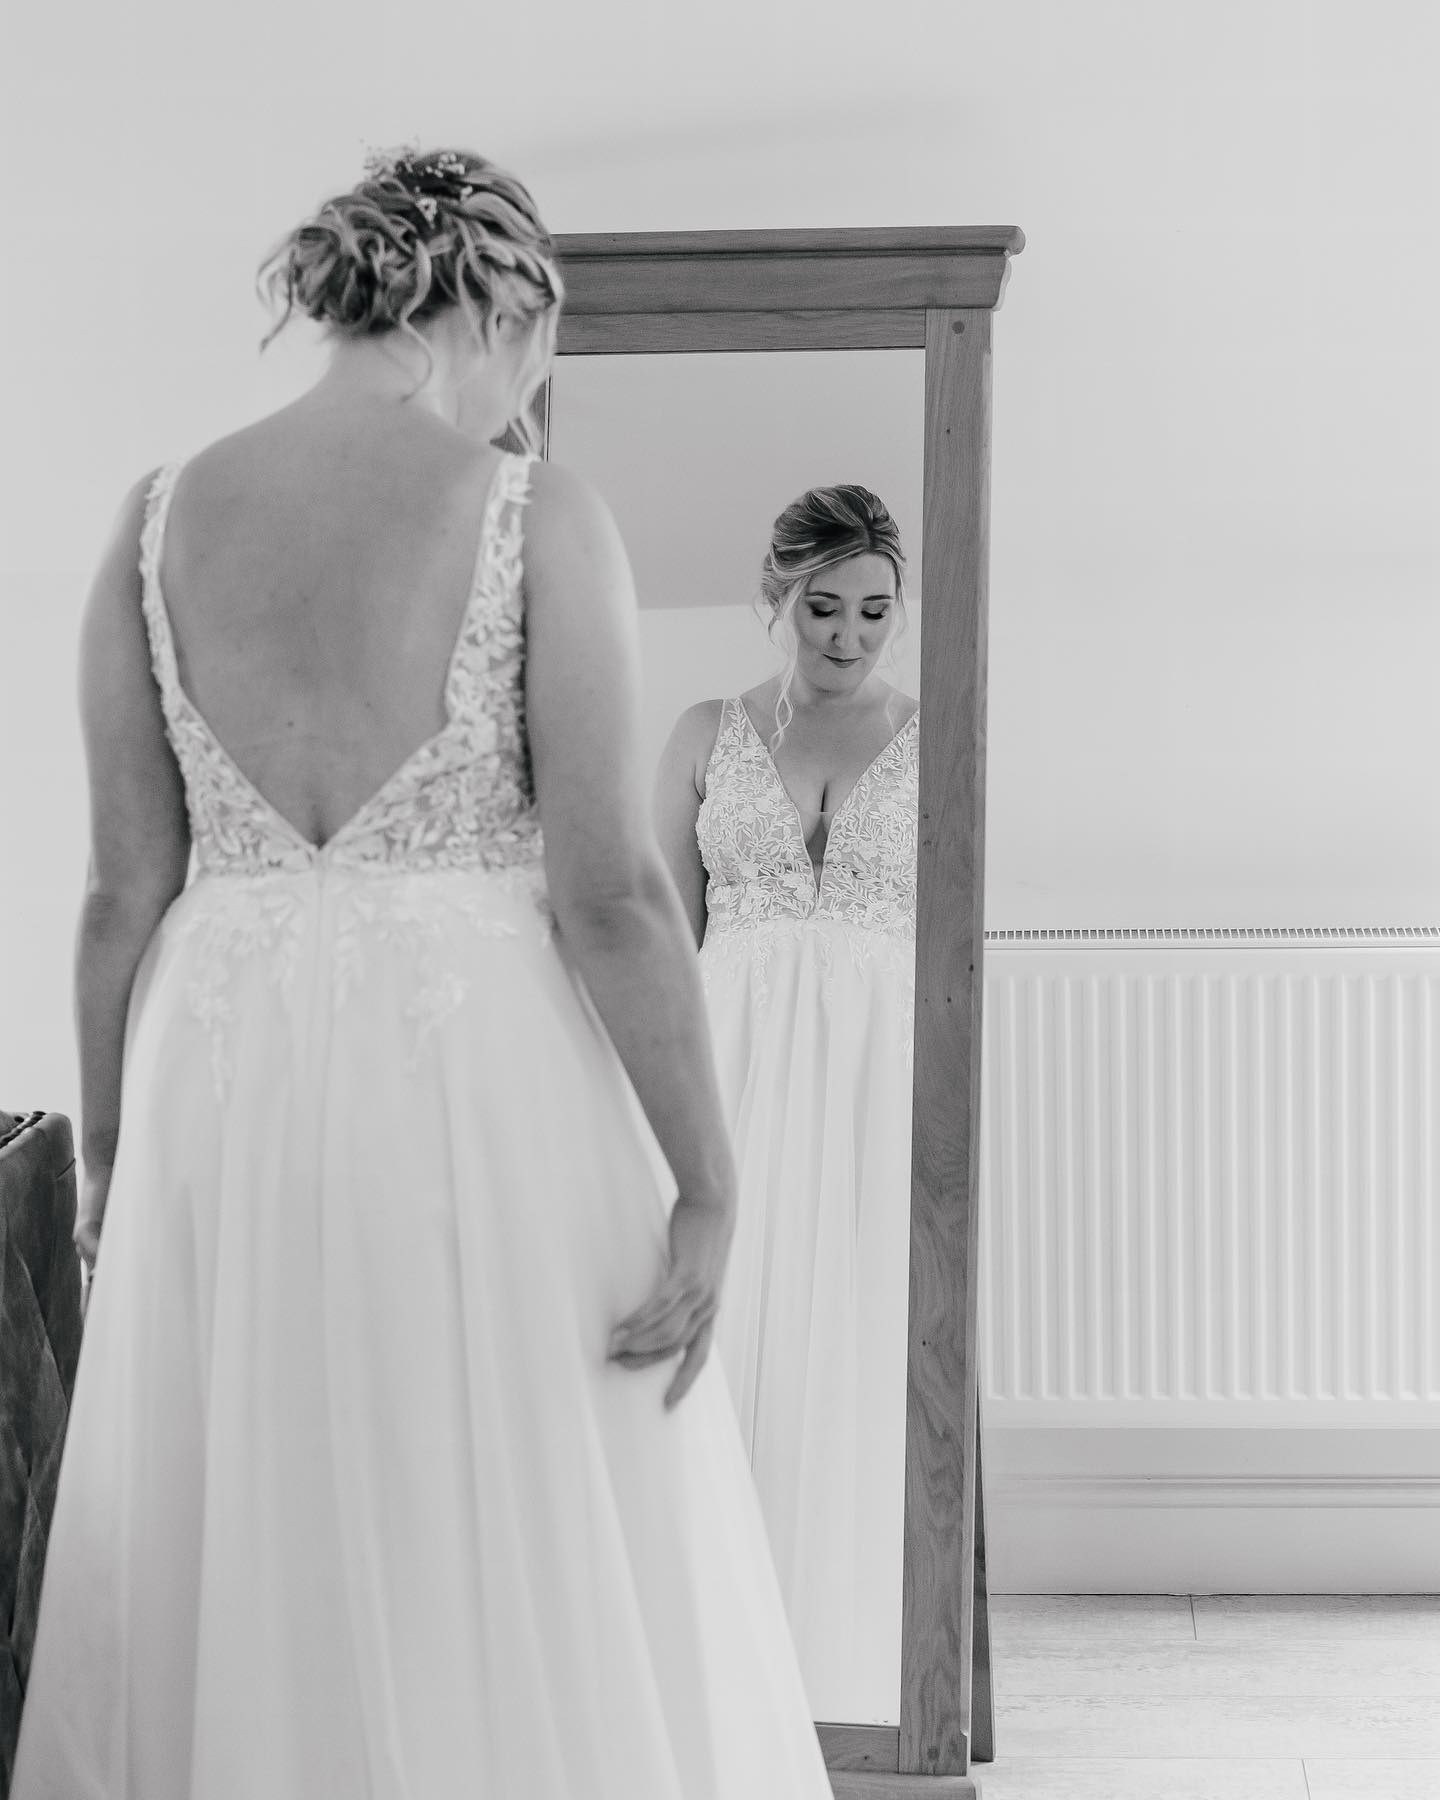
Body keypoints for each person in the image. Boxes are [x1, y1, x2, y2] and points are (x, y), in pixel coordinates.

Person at [12, 148, 833, 1799]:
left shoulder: (156, 516)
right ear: (508, 308)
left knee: (249, 1512)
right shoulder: (533, 514)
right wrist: (709, 1185)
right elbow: (610, 894)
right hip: (470, 1072)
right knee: (501, 1503)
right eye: (543, 358)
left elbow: (120, 893)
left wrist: (111, 1161)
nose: (533, 400)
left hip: (215, 1078)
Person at [653, 487, 919, 1725]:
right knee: (738, 1328)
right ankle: (711, 1662)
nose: (848, 634)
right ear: (777, 598)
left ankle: (857, 1669)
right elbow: (657, 931)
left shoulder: (935, 731)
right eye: (822, 607)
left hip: (876, 1078)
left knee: (864, 1340)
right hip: (736, 1065)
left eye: (874, 609)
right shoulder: (706, 731)